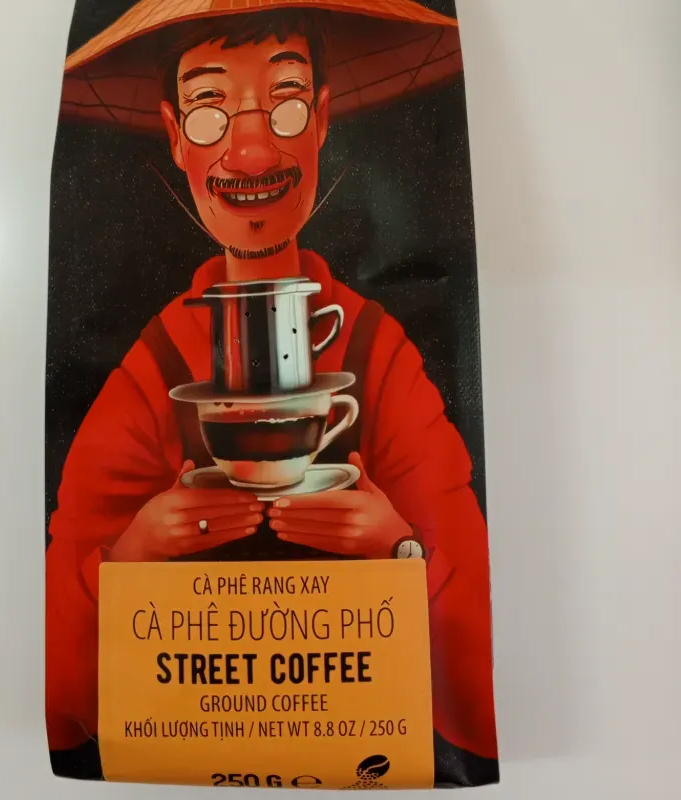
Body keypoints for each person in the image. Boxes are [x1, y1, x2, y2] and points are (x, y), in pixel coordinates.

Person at [48, 4, 497, 773]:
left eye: (285, 101)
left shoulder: (377, 353)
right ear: (175, 135)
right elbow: (64, 702)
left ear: (320, 120)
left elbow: (481, 700)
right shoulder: (152, 369)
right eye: (210, 107)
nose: (252, 153)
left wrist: (395, 546)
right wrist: (134, 555)